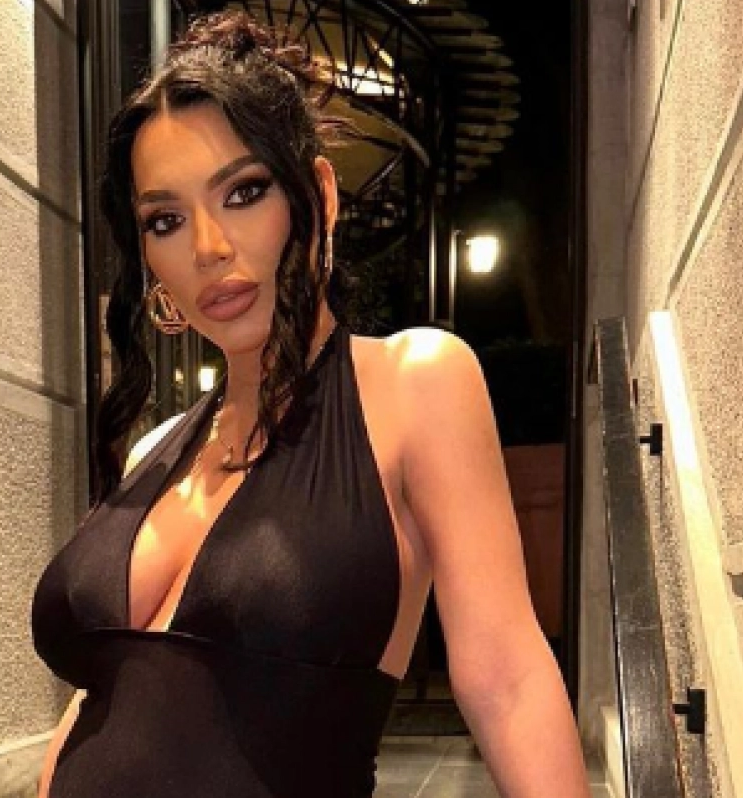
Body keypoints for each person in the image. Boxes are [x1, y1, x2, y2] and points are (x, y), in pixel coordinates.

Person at [30, 11, 588, 797]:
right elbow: (104, 699)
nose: (208, 248)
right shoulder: (155, 449)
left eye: (243, 192)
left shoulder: (415, 383)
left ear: (318, 194)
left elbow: (506, 679)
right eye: (165, 219)